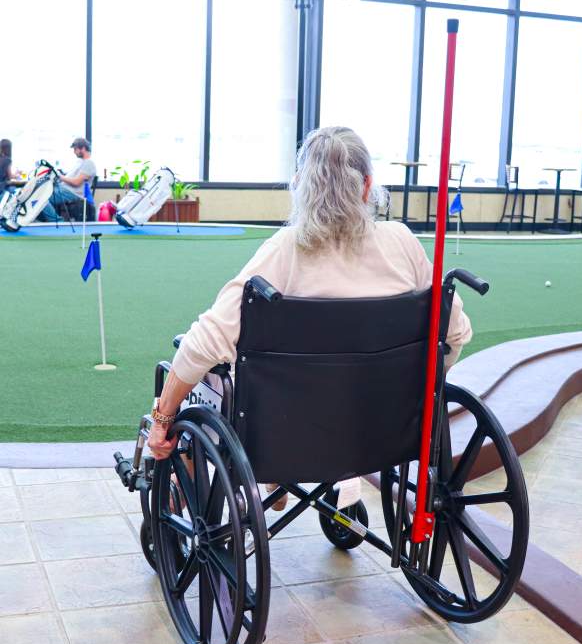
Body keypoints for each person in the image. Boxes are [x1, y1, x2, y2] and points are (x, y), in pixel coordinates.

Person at [148, 126, 472, 508]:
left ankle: (185, 488)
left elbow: (205, 342)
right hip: (382, 426)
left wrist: (162, 418)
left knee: (195, 373)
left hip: (286, 430)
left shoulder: (285, 250)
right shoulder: (401, 242)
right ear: (367, 186)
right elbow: (456, 334)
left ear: (301, 185)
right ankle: (322, 475)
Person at [38, 137, 97, 222]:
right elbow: (70, 177)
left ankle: (57, 221)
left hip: (73, 193)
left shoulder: (89, 163)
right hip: (65, 189)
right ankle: (50, 220)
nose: (74, 152)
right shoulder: (80, 162)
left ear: (83, 148)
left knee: (41, 197)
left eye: (75, 149)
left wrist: (60, 176)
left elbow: (77, 182)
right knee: (39, 193)